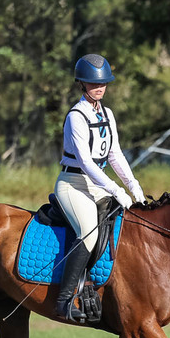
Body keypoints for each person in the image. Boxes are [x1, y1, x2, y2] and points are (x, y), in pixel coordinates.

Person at [54, 53, 145, 321]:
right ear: (82, 84)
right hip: (73, 184)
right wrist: (116, 190)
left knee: (126, 224)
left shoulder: (107, 114)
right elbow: (85, 162)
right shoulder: (76, 116)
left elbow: (114, 154)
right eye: (94, 84)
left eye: (103, 83)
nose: (100, 87)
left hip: (98, 185)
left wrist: (133, 186)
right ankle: (64, 300)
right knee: (89, 233)